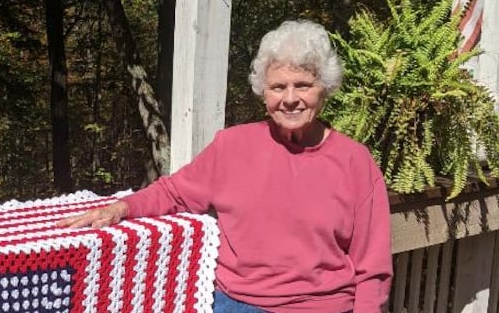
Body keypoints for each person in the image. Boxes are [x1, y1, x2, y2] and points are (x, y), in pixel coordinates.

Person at [58, 20, 393, 313]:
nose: (290, 98)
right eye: (278, 87)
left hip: (322, 306)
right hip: (237, 304)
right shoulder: (232, 146)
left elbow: (372, 269)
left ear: (325, 89)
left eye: (303, 85)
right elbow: (174, 192)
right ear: (263, 93)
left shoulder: (355, 162)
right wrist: (123, 207)